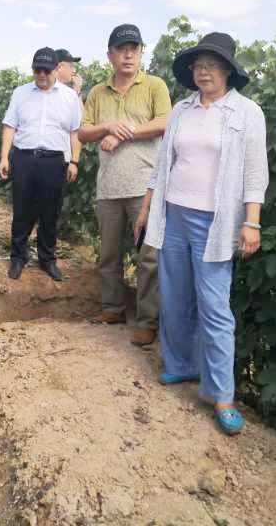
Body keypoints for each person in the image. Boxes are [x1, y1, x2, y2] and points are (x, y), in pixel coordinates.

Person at [135, 32, 269, 435]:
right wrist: (147, 207)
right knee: (175, 295)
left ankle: (221, 394)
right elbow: (164, 164)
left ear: (227, 70)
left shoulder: (246, 113)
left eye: (211, 65)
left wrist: (252, 222)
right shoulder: (181, 110)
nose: (203, 72)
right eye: (198, 65)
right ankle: (180, 365)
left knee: (214, 307)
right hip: (174, 213)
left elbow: (255, 173)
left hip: (216, 222)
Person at [78, 24, 172, 346]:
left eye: (134, 48)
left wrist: (122, 133)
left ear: (141, 52)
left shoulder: (154, 86)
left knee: (148, 258)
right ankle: (113, 308)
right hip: (108, 188)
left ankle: (147, 321)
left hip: (144, 188)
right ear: (110, 55)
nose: (128, 54)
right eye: (121, 49)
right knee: (108, 254)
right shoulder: (97, 93)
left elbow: (165, 122)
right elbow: (83, 132)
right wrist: (107, 126)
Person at [0, 47, 82, 281]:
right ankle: (18, 257)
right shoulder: (20, 93)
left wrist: (74, 161)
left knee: (50, 212)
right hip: (24, 158)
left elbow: (75, 132)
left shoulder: (69, 97)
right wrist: (4, 156)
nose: (42, 75)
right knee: (22, 210)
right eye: (38, 71)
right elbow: (10, 125)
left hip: (54, 161)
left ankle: (47, 259)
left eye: (47, 70)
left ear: (56, 69)